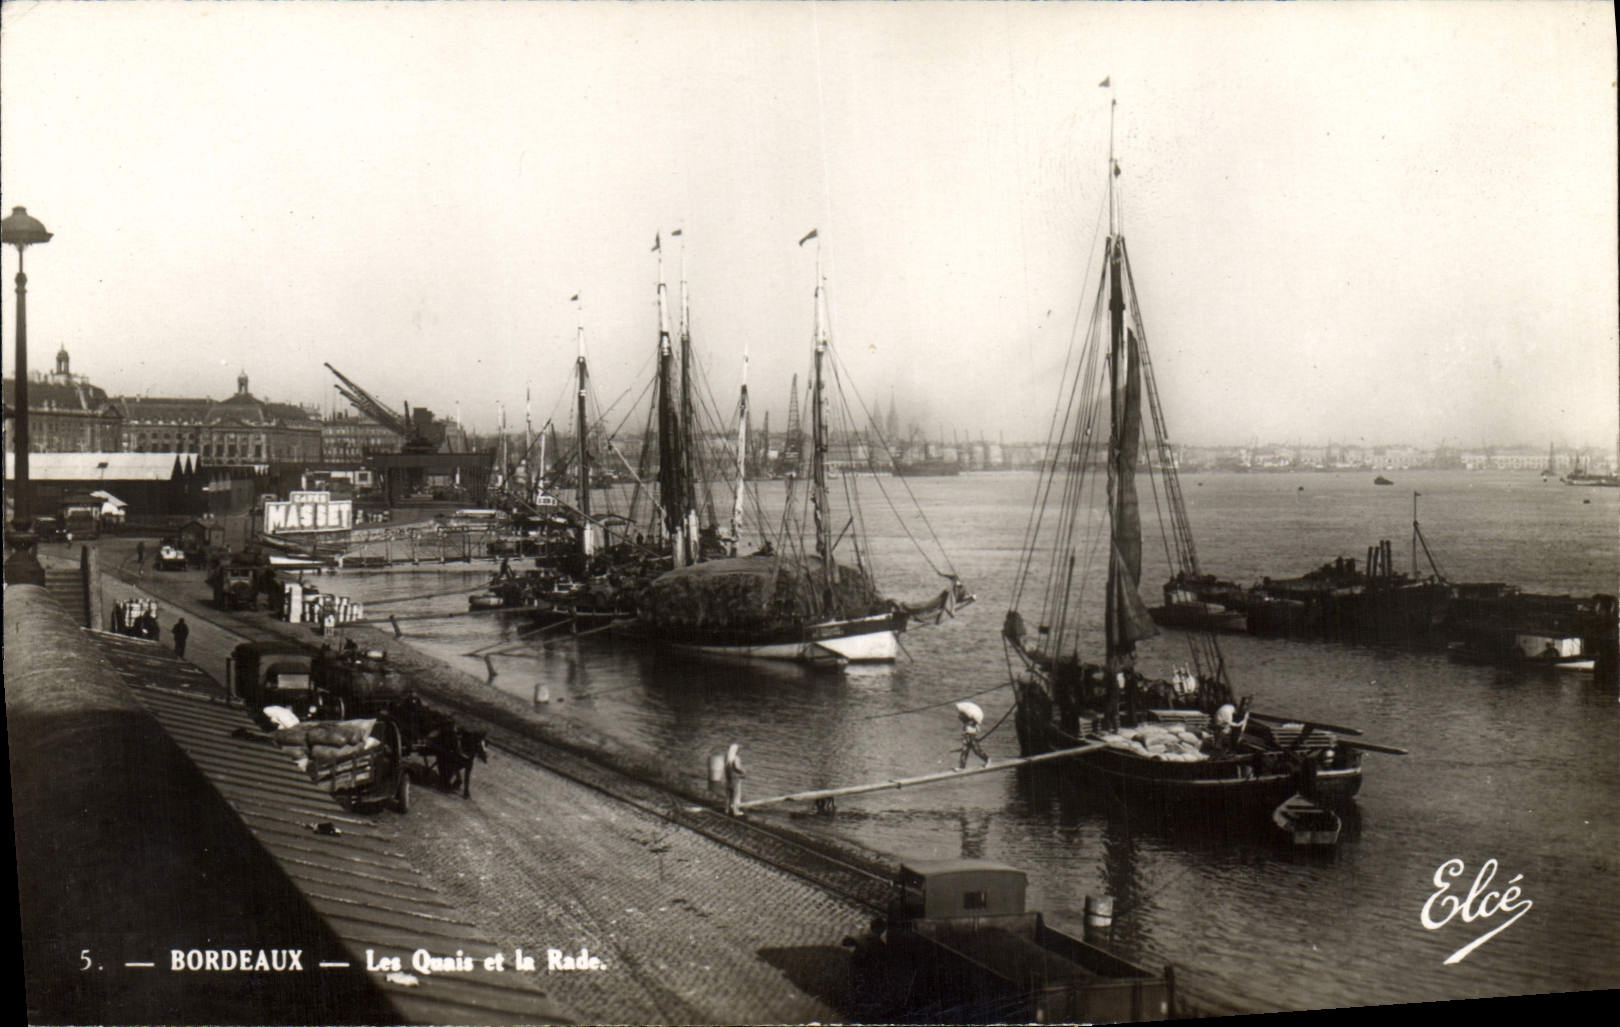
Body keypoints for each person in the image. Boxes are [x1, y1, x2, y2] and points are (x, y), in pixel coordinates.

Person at [957, 703, 989, 770]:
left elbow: (976, 729)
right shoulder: (966, 722)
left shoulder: (973, 722)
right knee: (964, 751)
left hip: (971, 737)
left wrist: (972, 725)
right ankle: (962, 766)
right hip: (967, 737)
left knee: (977, 750)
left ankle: (987, 760)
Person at [724, 743, 746, 816]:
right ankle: (736, 811)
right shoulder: (736, 758)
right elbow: (737, 767)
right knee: (736, 795)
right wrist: (743, 772)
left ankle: (726, 809)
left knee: (728, 795)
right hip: (735, 778)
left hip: (728, 777)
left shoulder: (727, 757)